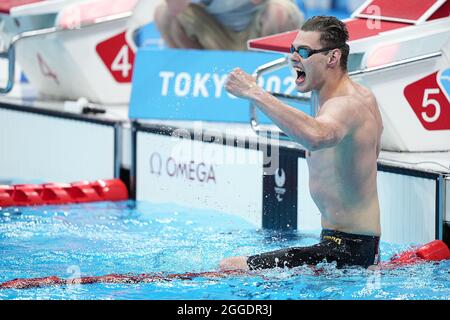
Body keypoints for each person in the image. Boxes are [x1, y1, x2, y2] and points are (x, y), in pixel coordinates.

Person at [220, 15, 383, 270]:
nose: (294, 57)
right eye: (293, 49)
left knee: (232, 267)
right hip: (344, 245)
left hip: (348, 249)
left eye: (304, 51)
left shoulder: (347, 105)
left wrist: (255, 93)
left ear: (333, 58)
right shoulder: (357, 96)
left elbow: (317, 137)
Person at [154, 0, 304, 51]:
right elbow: (175, 8)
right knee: (163, 14)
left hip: (259, 30)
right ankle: (197, 72)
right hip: (215, 33)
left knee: (278, 12)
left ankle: (270, 73)